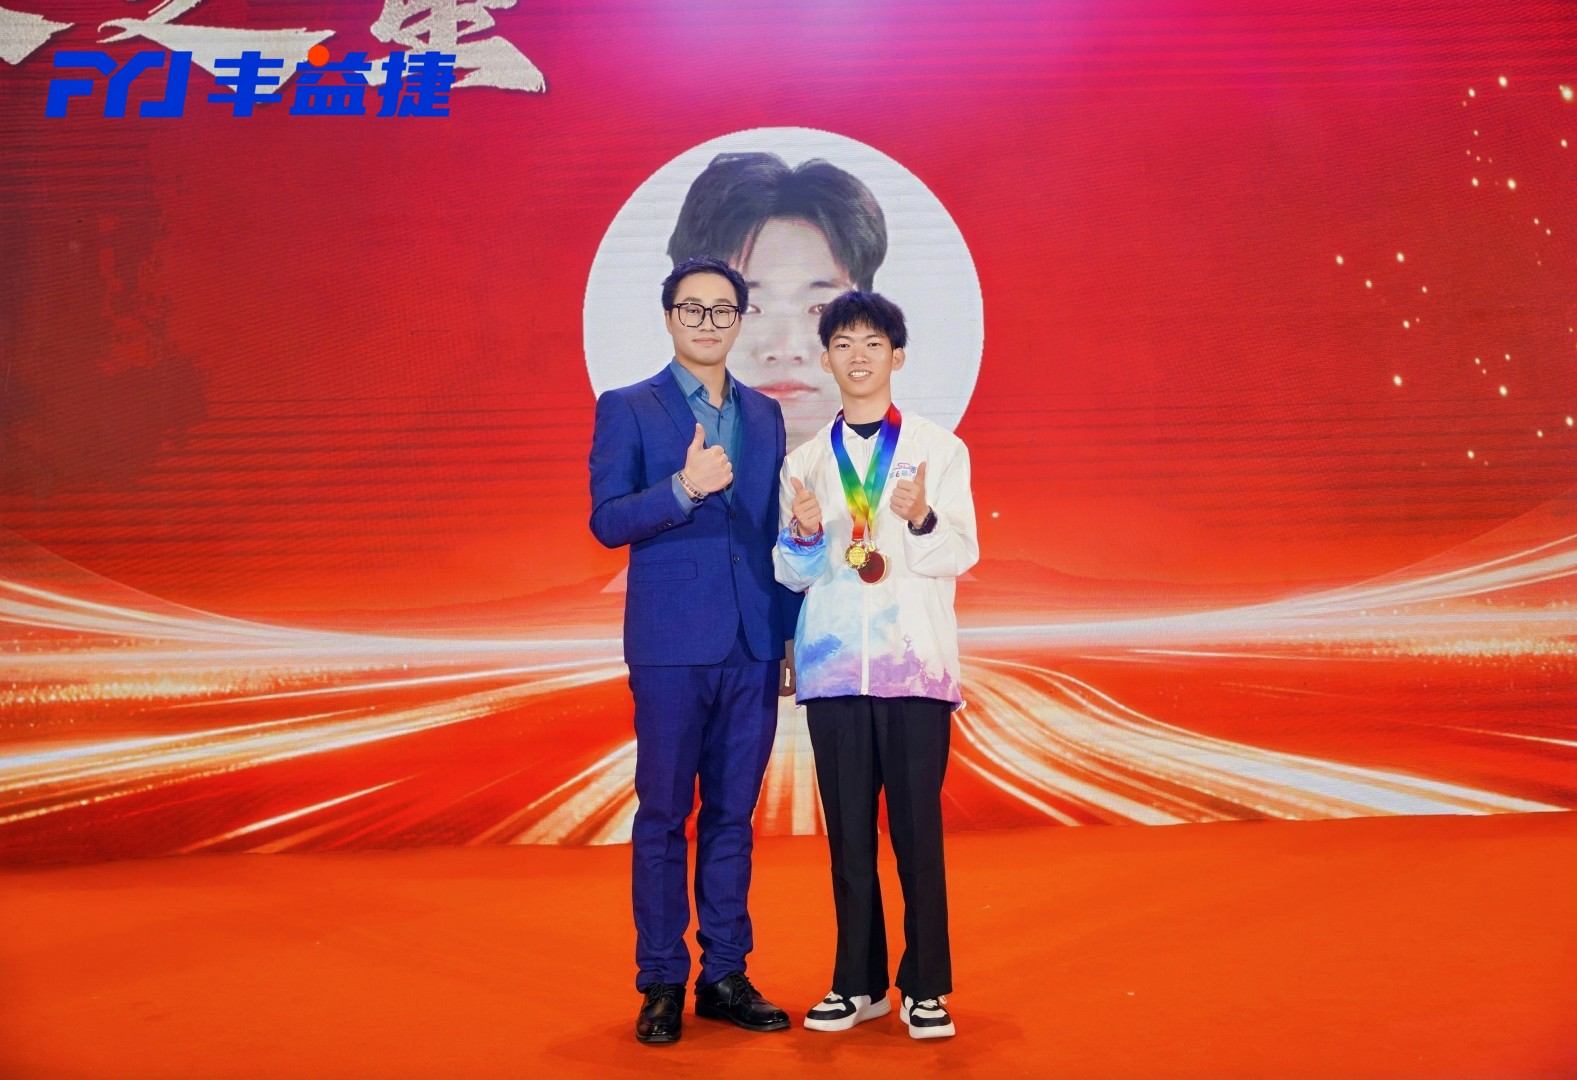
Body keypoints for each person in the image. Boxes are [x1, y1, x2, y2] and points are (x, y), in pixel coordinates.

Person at [588, 255, 793, 1045]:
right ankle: (661, 979)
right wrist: (684, 488)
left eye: (722, 310)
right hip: (671, 645)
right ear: (669, 316)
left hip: (751, 643)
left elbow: (769, 531)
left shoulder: (765, 414)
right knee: (665, 814)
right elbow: (607, 520)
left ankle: (726, 973)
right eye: (692, 309)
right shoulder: (628, 407)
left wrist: (785, 633)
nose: (708, 323)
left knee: (734, 815)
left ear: (740, 319)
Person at [772, 291, 978, 1040]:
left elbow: (961, 551)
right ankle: (856, 984)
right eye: (843, 344)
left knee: (917, 836)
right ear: (826, 359)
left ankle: (925, 987)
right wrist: (801, 536)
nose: (857, 357)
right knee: (849, 839)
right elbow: (792, 573)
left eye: (872, 343)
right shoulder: (803, 462)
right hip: (833, 670)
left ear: (897, 355)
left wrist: (920, 516)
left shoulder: (938, 448)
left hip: (915, 668)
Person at [667, 151, 888, 451]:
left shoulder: (919, 461)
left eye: (821, 308)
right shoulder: (645, 461)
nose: (785, 350)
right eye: (747, 308)